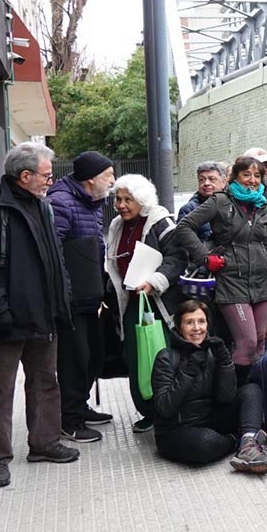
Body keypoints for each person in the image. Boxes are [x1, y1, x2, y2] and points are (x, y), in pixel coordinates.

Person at [0, 142, 78, 488]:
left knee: (45, 383)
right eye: (45, 174)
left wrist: (64, 297)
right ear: (24, 176)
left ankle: (44, 443)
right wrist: (0, 312)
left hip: (44, 317)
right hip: (6, 322)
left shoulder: (44, 208)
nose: (50, 180)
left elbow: (56, 259)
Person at [176, 156, 267, 387]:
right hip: (232, 282)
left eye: (257, 176)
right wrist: (205, 258)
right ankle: (232, 397)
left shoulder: (263, 204)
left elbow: (266, 247)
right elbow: (184, 227)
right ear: (234, 177)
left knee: (259, 342)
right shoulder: (220, 201)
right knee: (246, 343)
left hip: (261, 282)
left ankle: (254, 399)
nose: (252, 180)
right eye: (246, 174)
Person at [103, 174, 187, 433]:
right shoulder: (117, 224)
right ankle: (148, 411)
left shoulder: (160, 221)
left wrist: (154, 281)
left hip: (158, 305)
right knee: (136, 357)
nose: (121, 204)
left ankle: (170, 410)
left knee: (161, 355)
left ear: (141, 199)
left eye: (128, 199)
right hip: (130, 303)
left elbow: (177, 257)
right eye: (118, 198)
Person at [150, 300, 267, 473]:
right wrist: (189, 370)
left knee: (251, 390)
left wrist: (224, 362)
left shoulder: (211, 352)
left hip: (209, 420)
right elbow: (165, 408)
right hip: (176, 431)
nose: (196, 328)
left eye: (201, 321)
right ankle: (239, 440)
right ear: (179, 327)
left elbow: (226, 398)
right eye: (189, 322)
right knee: (206, 443)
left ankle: (248, 443)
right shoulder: (166, 358)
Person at [46, 150, 115, 444]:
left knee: (94, 354)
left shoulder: (92, 203)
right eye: (108, 176)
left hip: (88, 296)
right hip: (70, 299)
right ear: (90, 179)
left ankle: (80, 407)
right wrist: (67, 293)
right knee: (75, 359)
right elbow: (54, 252)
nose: (113, 181)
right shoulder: (61, 202)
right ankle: (69, 421)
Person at [177, 161, 228, 244]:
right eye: (202, 180)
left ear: (224, 182)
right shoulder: (189, 210)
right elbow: (184, 244)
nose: (206, 183)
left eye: (212, 179)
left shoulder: (233, 206)